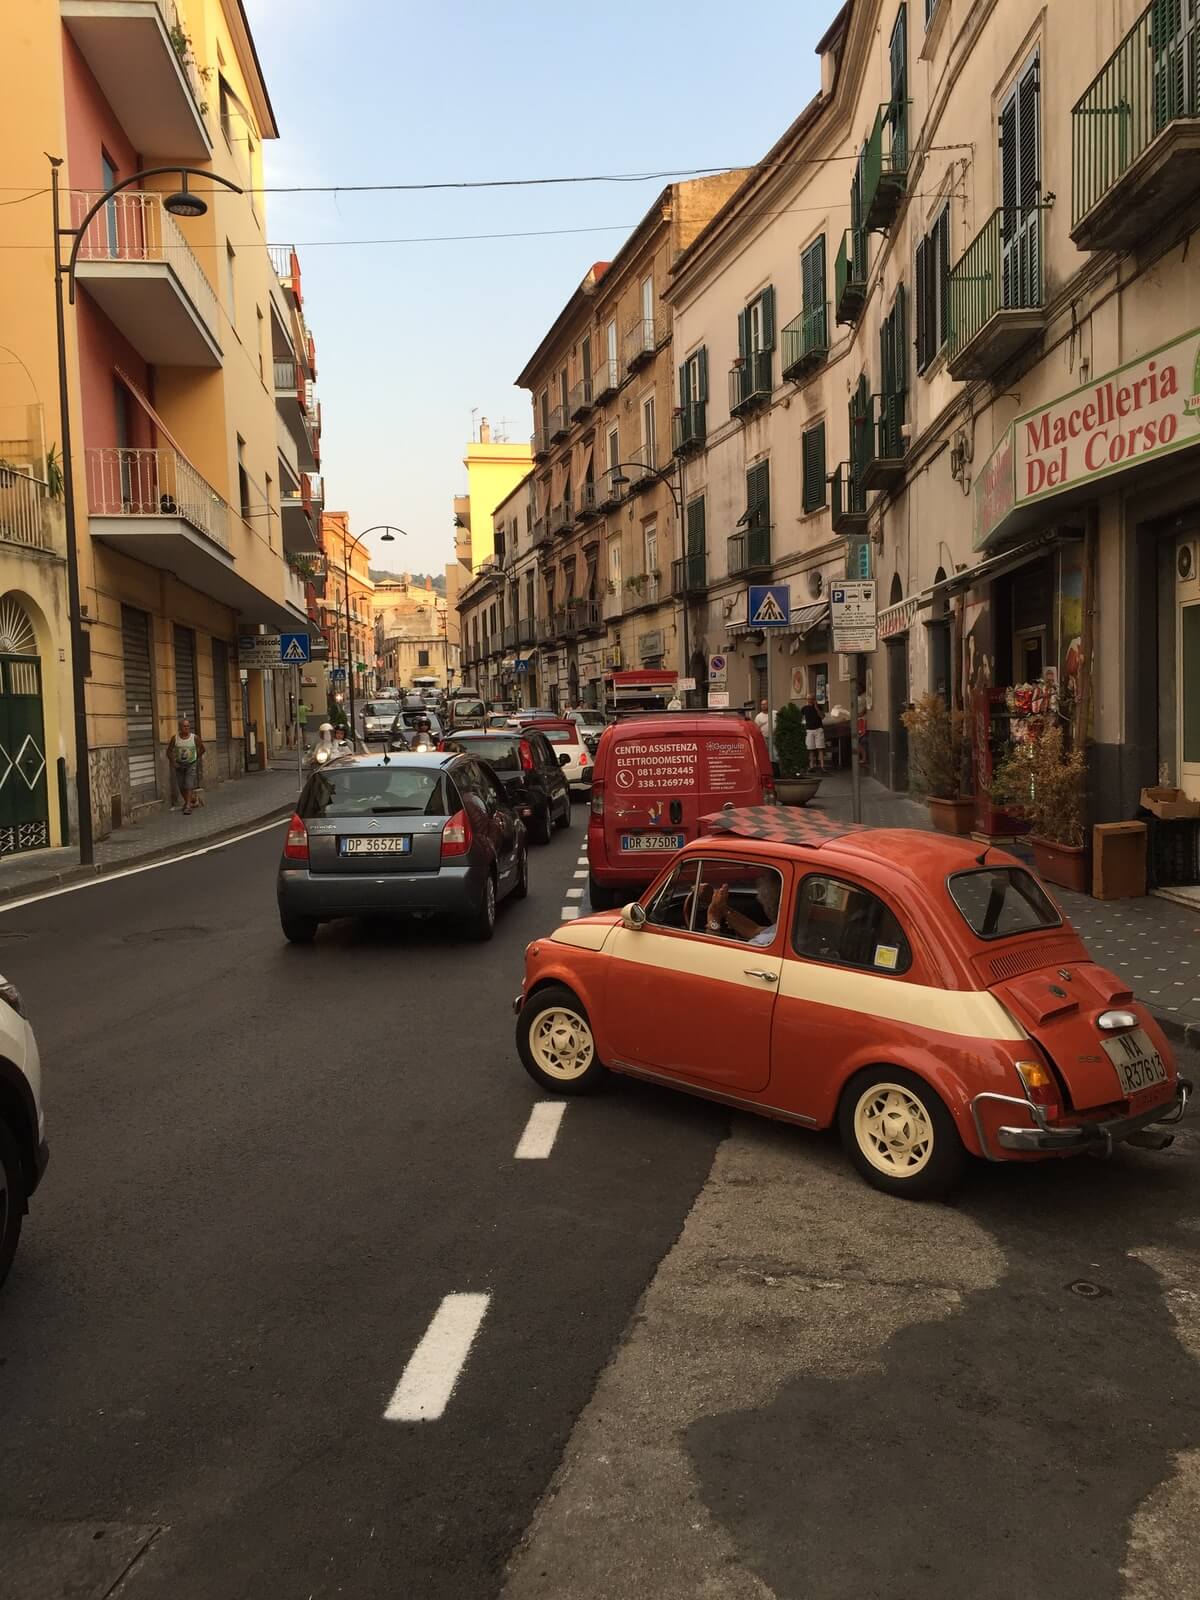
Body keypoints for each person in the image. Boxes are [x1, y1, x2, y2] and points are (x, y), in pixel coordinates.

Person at [706, 874, 781, 946]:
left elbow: (712, 955)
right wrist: (723, 908)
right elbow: (754, 930)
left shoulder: (761, 943)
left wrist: (713, 917)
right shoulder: (778, 930)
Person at [167, 716, 205, 815]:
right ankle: (194, 799)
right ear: (180, 727)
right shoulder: (175, 738)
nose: (186, 728)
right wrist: (174, 763)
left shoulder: (195, 737)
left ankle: (188, 806)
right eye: (184, 726)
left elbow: (202, 749)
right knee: (181, 787)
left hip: (191, 765)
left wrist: (196, 758)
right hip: (179, 765)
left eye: (188, 726)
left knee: (188, 785)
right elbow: (169, 751)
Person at [801, 693, 827, 772]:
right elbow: (800, 717)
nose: (810, 700)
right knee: (810, 749)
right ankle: (811, 766)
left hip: (818, 729)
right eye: (809, 699)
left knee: (820, 748)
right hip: (809, 729)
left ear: (814, 699)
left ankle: (822, 766)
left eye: (812, 699)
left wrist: (816, 708)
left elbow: (822, 716)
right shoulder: (804, 708)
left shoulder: (819, 707)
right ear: (807, 700)